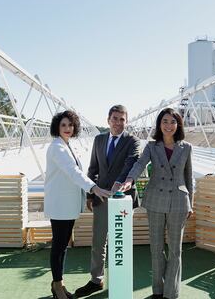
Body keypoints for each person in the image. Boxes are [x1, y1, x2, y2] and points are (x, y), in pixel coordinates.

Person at [120, 107, 193, 299]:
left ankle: (171, 293)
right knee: (156, 248)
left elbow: (188, 177)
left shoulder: (186, 147)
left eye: (173, 122)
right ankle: (158, 291)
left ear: (178, 125)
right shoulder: (152, 147)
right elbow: (139, 164)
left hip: (179, 202)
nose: (169, 126)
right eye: (165, 122)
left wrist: (190, 204)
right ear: (159, 125)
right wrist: (129, 180)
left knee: (176, 250)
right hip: (155, 201)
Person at [44, 110, 111, 299]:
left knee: (63, 246)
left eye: (70, 125)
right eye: (63, 125)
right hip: (60, 206)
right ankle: (57, 286)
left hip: (67, 206)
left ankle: (59, 283)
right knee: (59, 246)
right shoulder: (57, 147)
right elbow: (72, 172)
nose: (67, 128)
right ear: (57, 126)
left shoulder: (66, 145)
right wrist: (94, 188)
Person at [75, 105, 140, 297]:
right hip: (101, 197)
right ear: (108, 120)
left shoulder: (132, 141)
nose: (118, 123)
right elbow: (93, 168)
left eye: (122, 119)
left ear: (126, 121)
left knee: (121, 241)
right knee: (98, 241)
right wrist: (89, 193)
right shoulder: (99, 139)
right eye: (115, 118)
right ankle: (96, 279)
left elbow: (131, 164)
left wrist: (119, 184)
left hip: (123, 199)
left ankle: (121, 281)